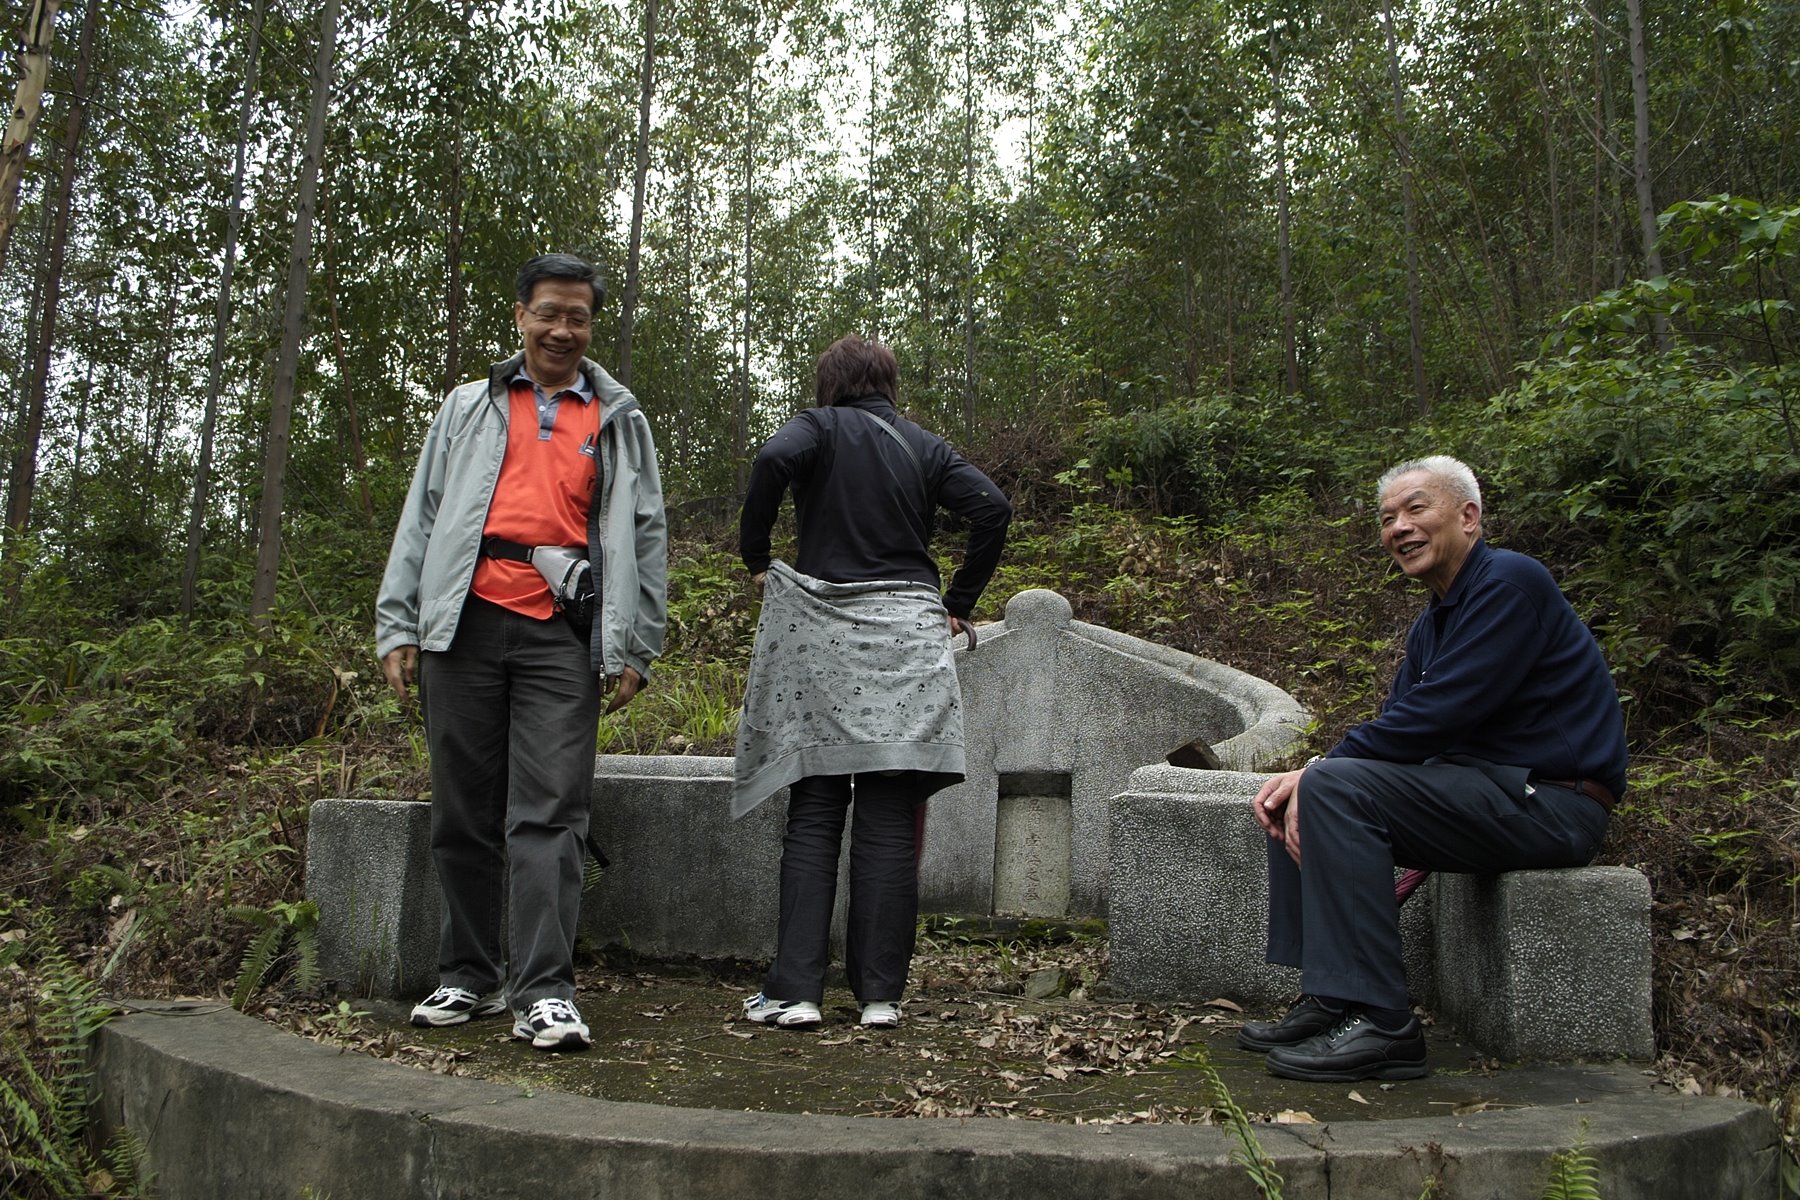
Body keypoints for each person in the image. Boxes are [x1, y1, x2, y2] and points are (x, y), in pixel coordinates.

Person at [1240, 455, 1627, 1082]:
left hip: (1554, 804)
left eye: (1416, 508)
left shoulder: (1510, 583)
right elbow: (1403, 732)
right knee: (1293, 794)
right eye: (1387, 518)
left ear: (1468, 516)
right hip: (1487, 794)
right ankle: (1334, 996)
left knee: (1327, 783)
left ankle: (1385, 1024)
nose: (1399, 527)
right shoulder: (1432, 623)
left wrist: (1321, 770)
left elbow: (1438, 716)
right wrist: (1310, 776)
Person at [375, 254, 667, 1052]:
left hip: (562, 634)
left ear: (591, 326)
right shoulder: (468, 406)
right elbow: (423, 513)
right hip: (462, 625)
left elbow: (645, 533)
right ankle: (469, 975)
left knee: (552, 811)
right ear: (520, 316)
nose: (561, 330)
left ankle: (544, 992)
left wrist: (637, 641)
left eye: (578, 317)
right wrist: (399, 623)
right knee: (463, 811)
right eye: (548, 313)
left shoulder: (618, 416)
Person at [732, 334, 1011, 1029]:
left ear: (830, 385)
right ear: (887, 385)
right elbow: (992, 508)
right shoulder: (925, 445)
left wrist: (757, 555)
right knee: (888, 812)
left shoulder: (817, 428)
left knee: (816, 807)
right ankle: (880, 998)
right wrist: (958, 602)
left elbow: (770, 460)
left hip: (823, 635)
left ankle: (796, 992)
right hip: (908, 637)